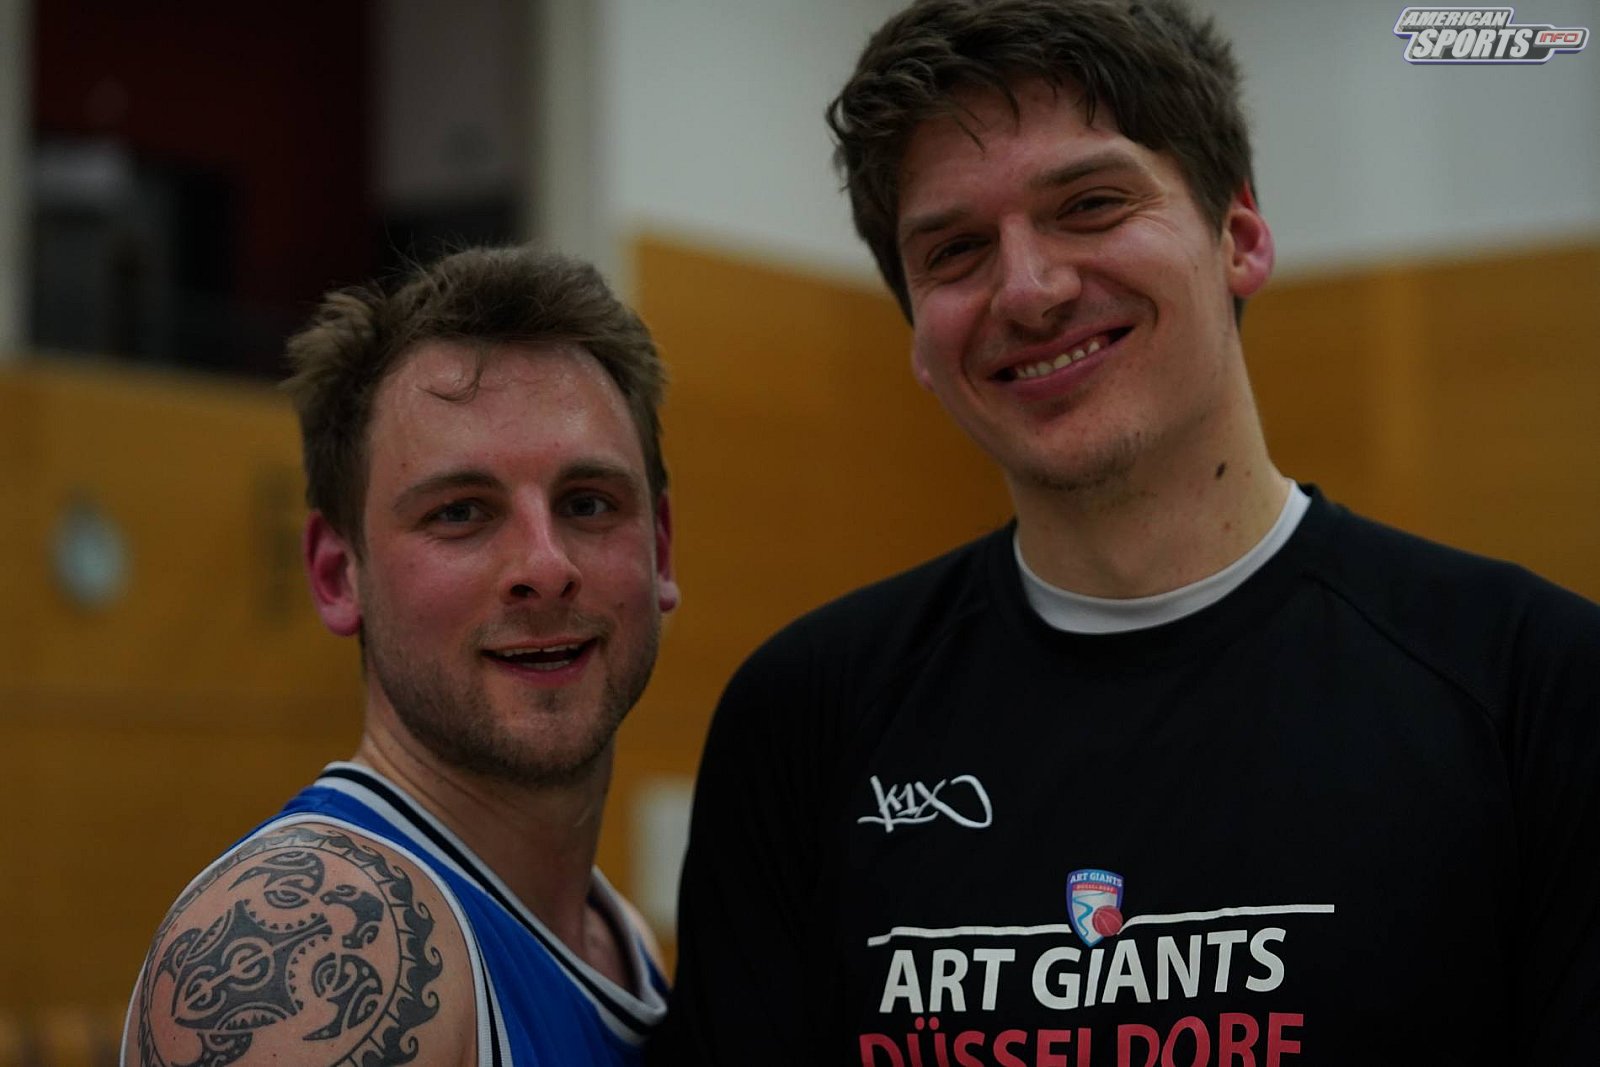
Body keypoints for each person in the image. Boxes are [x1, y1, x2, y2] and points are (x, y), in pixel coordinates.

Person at [654, 1, 1600, 1064]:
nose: (1029, 290)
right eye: (955, 250)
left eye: (1091, 205)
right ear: (917, 337)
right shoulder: (803, 722)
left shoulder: (1537, 688)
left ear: (1239, 237)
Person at [123, 247, 680, 1067]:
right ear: (335, 574)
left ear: (661, 548)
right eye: (460, 512)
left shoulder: (618, 937)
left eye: (588, 502)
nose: (546, 564)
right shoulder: (302, 949)